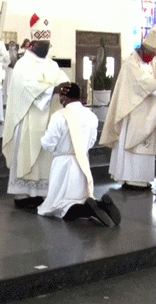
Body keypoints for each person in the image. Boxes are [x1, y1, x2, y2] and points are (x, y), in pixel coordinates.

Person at [2, 14, 70, 208]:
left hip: (46, 120)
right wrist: (52, 90)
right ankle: (23, 194)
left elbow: (61, 79)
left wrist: (67, 88)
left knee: (43, 159)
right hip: (27, 120)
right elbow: (27, 88)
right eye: (42, 45)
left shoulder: (52, 65)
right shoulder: (22, 64)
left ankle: (41, 192)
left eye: (47, 44)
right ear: (32, 44)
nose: (46, 48)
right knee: (26, 155)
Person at [99, 25, 156, 190]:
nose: (152, 57)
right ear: (142, 50)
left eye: (154, 54)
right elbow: (142, 83)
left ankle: (143, 178)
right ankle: (129, 178)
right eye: (150, 53)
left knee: (145, 147)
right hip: (133, 111)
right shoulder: (130, 63)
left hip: (149, 112)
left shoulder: (152, 63)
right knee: (131, 146)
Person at [37, 82, 121, 225]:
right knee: (81, 197)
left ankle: (89, 210)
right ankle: (101, 205)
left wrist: (43, 140)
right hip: (82, 163)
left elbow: (48, 144)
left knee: (60, 206)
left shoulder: (59, 116)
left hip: (64, 165)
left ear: (64, 97)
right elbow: (92, 141)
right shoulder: (91, 116)